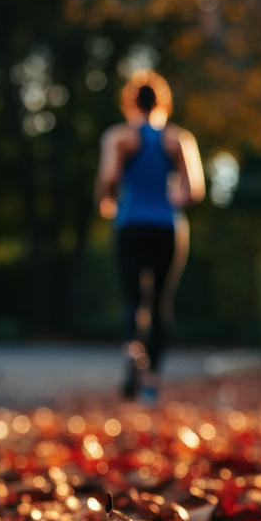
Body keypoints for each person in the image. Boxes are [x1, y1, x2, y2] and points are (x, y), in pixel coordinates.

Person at [95, 70, 205, 404]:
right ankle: (151, 381)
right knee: (159, 302)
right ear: (163, 103)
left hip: (130, 223)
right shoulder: (177, 139)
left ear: (130, 102)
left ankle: (132, 350)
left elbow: (109, 177)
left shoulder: (119, 138)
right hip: (167, 227)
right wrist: (173, 198)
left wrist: (108, 200)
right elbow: (194, 189)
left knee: (132, 299)